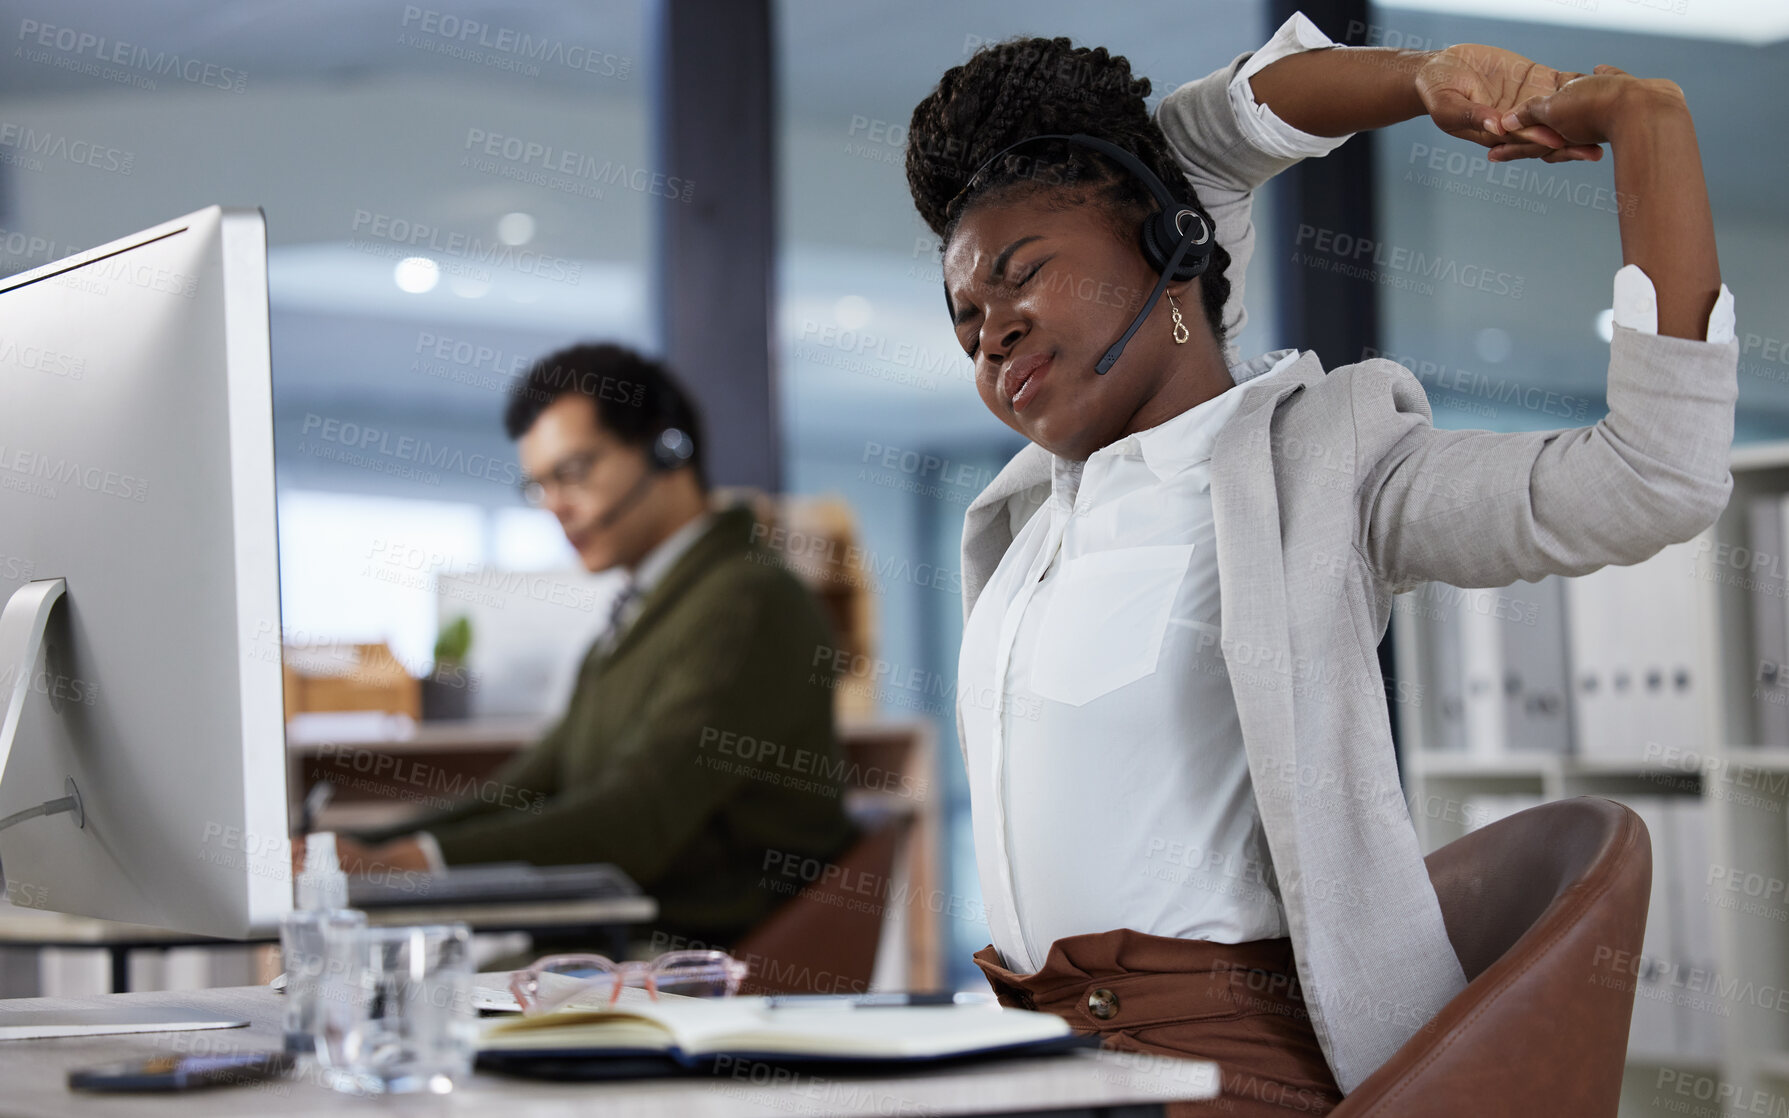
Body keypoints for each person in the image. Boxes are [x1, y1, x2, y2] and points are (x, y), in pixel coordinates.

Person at [904, 12, 1733, 1114]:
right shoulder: (1024, 521)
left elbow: (1653, 477)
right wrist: (1414, 76)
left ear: (1171, 242)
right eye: (966, 322)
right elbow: (1195, 144)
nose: (992, 332)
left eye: (1021, 279)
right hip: (1038, 1063)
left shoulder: (1320, 474)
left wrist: (1647, 129)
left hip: (1213, 1077)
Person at [331, 342, 861, 951]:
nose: (555, 506)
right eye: (540, 486)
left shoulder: (746, 600)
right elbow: (529, 788)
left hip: (698, 964)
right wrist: (367, 853)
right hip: (620, 944)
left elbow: (636, 818)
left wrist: (414, 861)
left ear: (670, 450)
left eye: (574, 472)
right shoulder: (646, 611)